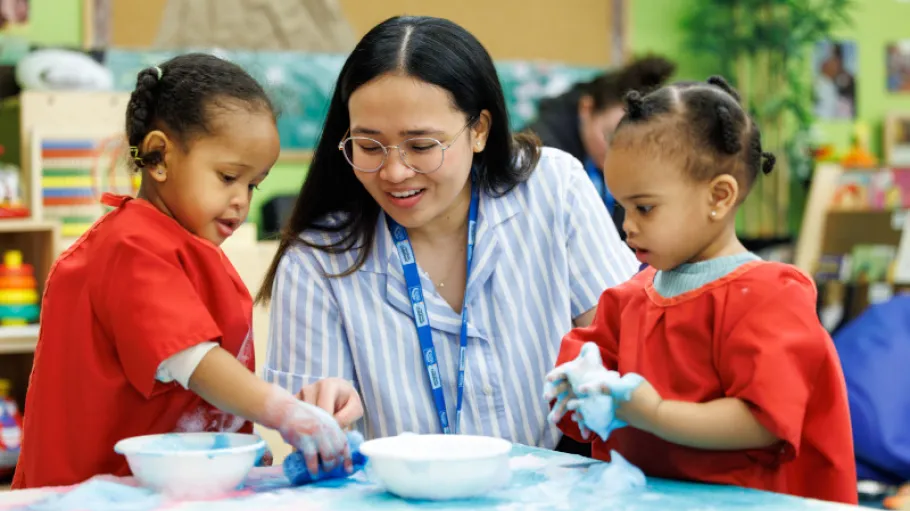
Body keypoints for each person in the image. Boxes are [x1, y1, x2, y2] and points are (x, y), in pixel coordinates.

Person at [258, 16, 638, 454]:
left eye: (421, 146)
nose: (395, 172)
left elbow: (625, 351)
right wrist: (322, 424)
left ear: (478, 130)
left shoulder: (553, 189)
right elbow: (318, 447)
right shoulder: (317, 260)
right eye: (369, 146)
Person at [14, 54, 353, 489]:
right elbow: (193, 362)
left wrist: (236, 439)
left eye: (253, 184)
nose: (241, 201)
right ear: (158, 157)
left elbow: (190, 396)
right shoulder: (131, 246)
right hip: (91, 492)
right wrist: (285, 412)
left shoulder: (188, 246)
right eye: (228, 176)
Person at [545, 76, 857, 504]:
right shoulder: (630, 298)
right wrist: (577, 390)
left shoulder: (768, 296)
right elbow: (587, 369)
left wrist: (654, 414)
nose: (627, 225)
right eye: (621, 206)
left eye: (645, 207)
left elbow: (763, 420)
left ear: (719, 197)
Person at [523, 56, 675, 238]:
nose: (619, 151)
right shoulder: (541, 155)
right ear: (586, 109)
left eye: (633, 142)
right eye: (610, 136)